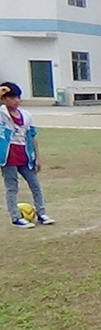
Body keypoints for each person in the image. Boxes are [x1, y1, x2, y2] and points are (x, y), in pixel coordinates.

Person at [0, 83, 54, 228]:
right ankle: (15, 217)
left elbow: (32, 136)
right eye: (11, 97)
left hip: (25, 155)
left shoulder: (26, 115)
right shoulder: (1, 114)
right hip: (8, 156)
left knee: (35, 185)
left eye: (17, 97)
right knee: (12, 187)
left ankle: (41, 213)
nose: (16, 100)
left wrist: (37, 157)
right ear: (4, 99)